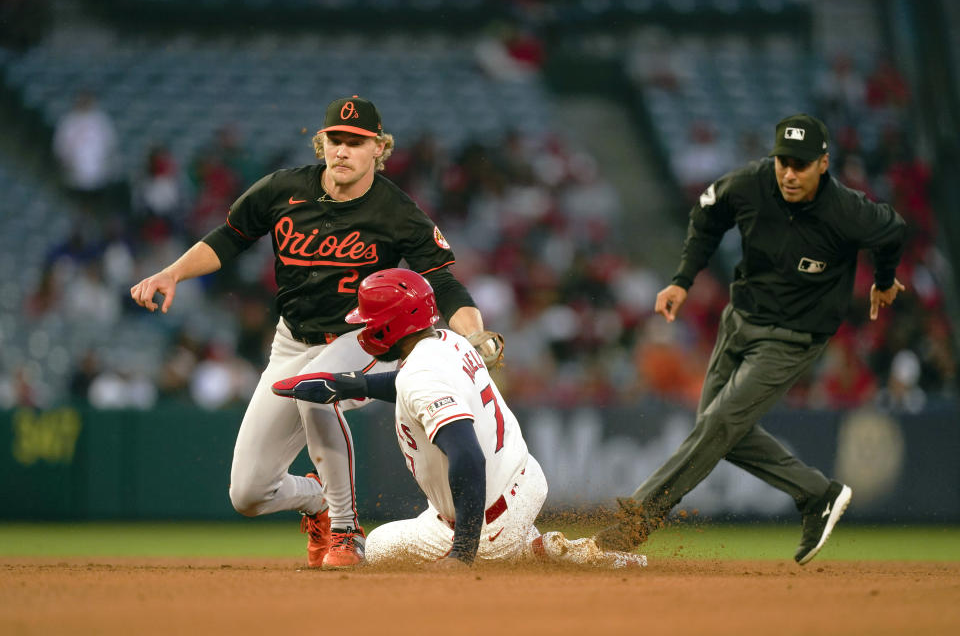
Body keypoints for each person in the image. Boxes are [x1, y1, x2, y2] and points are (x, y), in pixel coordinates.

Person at [130, 96, 490, 570]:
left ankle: (346, 530)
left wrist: (475, 334)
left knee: (314, 390)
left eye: (356, 142)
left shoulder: (396, 211)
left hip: (365, 341)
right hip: (291, 340)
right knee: (249, 492)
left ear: (378, 148)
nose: (343, 150)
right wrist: (173, 273)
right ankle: (317, 500)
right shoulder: (283, 189)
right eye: (335, 140)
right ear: (321, 143)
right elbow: (231, 235)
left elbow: (443, 280)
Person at [593, 113, 907, 565]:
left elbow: (893, 230)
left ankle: (637, 520)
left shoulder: (846, 209)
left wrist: (884, 278)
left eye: (801, 164)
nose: (789, 173)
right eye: (783, 161)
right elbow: (707, 214)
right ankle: (817, 493)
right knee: (719, 429)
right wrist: (683, 279)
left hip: (793, 337)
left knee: (719, 424)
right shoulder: (750, 183)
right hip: (738, 320)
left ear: (823, 162)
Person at [273, 268, 646, 569]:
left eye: (370, 320)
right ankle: (544, 548)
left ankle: (518, 549)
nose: (365, 326)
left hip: (486, 524)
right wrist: (351, 384)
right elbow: (412, 384)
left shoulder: (421, 376)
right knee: (441, 527)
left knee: (379, 550)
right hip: (525, 482)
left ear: (390, 326)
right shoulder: (447, 340)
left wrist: (462, 553)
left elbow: (467, 457)